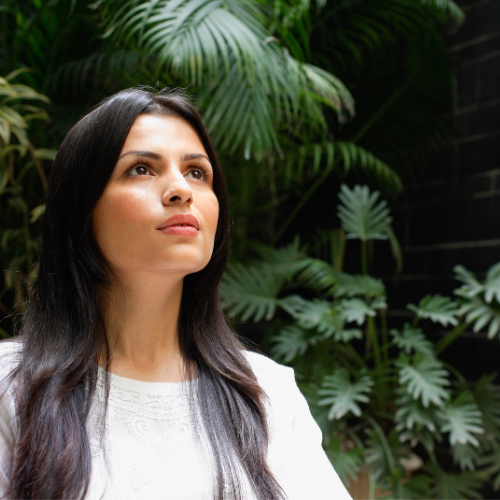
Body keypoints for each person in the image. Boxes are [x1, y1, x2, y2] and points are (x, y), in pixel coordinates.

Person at [0, 88, 352, 500]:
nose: (181, 189)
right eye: (141, 169)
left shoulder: (267, 392)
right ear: (82, 207)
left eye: (197, 173)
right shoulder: (13, 388)